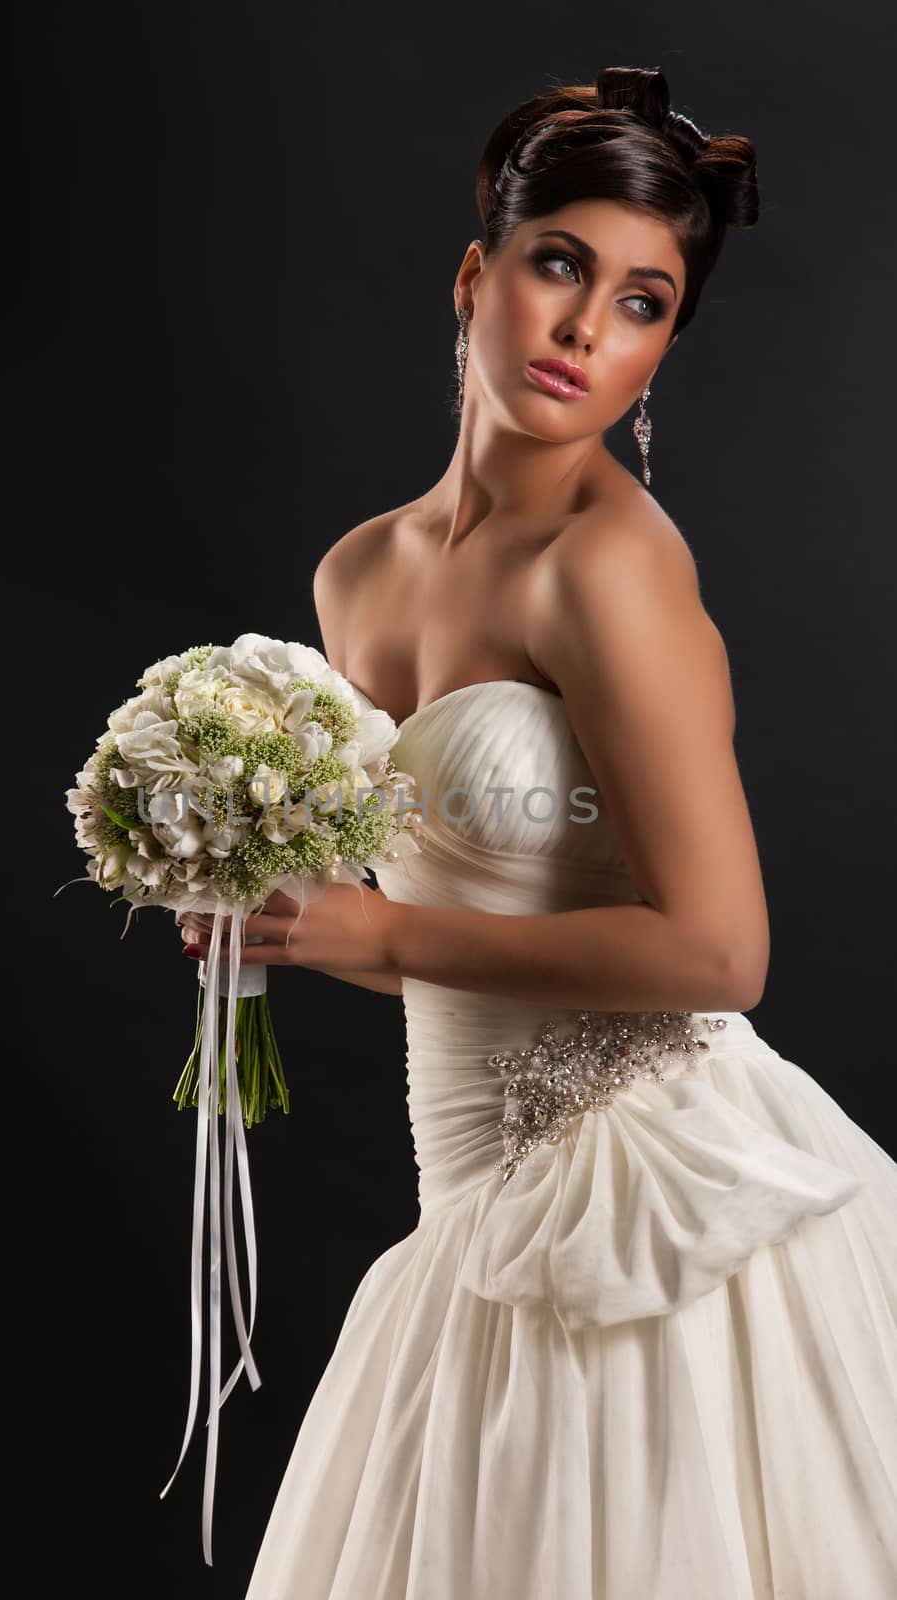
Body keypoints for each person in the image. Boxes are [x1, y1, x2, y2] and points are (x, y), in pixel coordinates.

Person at [180, 65, 897, 1598]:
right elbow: (467, 953)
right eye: (560, 264)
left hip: (646, 1199)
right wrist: (294, 922)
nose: (585, 329)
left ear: (661, 350)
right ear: (475, 274)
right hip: (471, 1205)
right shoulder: (358, 578)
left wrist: (380, 929)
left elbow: (718, 951)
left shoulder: (609, 568)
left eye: (645, 301)